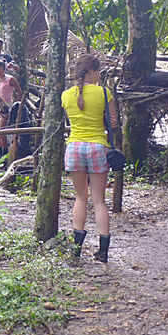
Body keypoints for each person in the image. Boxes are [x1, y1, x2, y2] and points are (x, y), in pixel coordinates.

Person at [61, 54, 117, 263]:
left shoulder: (66, 95)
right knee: (99, 201)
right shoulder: (104, 92)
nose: (98, 75)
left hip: (74, 147)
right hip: (97, 147)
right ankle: (103, 252)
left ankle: (76, 248)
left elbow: (72, 120)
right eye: (98, 72)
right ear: (92, 71)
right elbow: (113, 122)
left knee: (80, 198)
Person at [0, 60, 23, 157]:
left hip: (6, 108)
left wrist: (17, 104)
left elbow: (19, 91)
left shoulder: (10, 79)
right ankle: (0, 153)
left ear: (1, 68)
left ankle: (4, 154)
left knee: (1, 131)